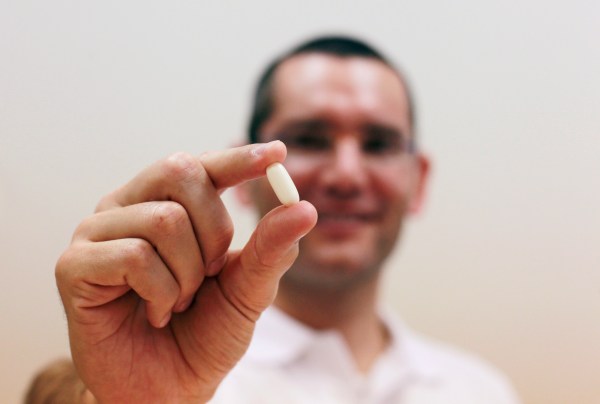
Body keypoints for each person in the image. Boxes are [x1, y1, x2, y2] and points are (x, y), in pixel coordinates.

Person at [33, 35, 520, 403]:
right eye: (309, 138)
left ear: (420, 180)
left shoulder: (481, 391)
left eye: (378, 144)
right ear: (245, 172)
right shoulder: (170, 375)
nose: (347, 176)